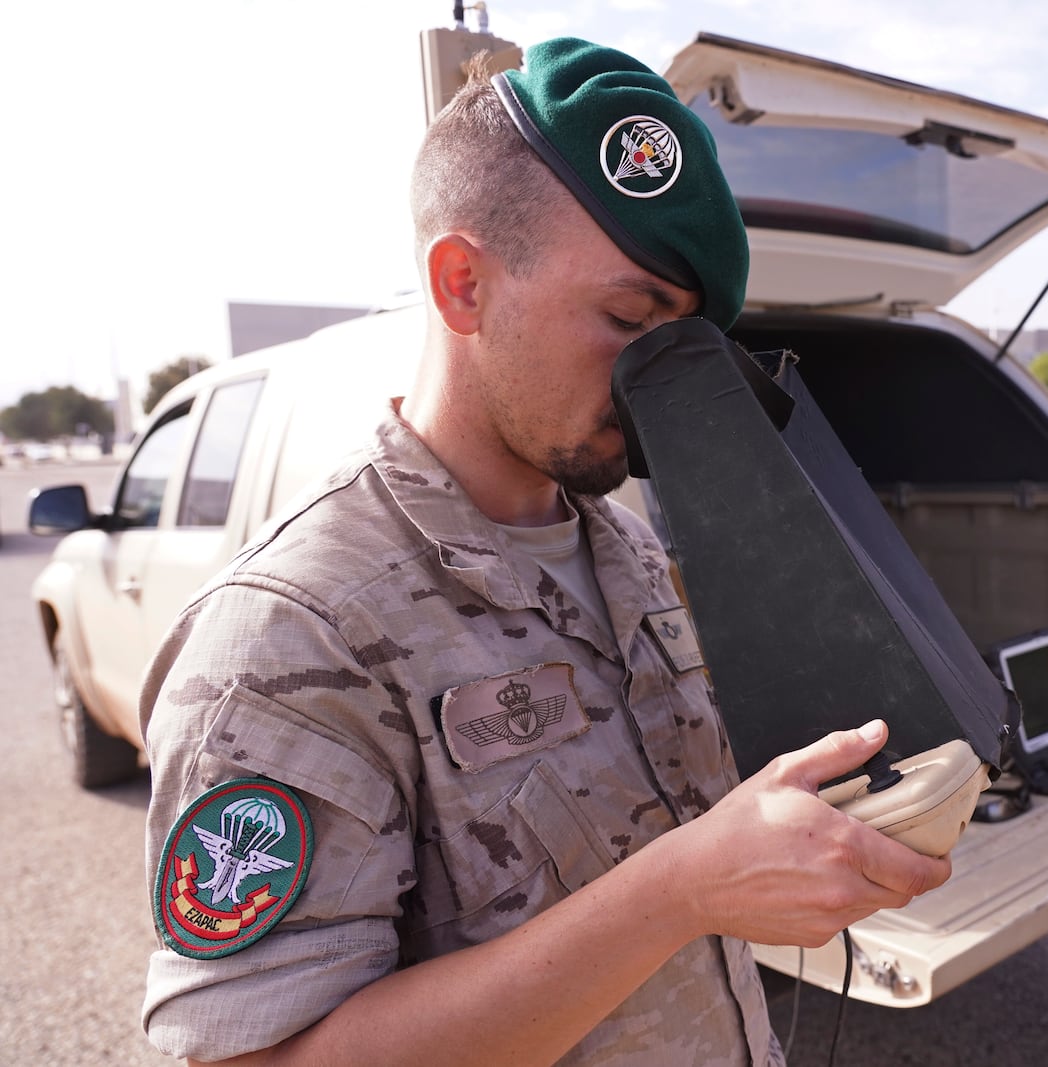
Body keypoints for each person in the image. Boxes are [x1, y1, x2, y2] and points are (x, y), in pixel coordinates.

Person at [140, 38, 950, 1066]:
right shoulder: (296, 627)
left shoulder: (621, 540)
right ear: (463, 284)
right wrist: (681, 887)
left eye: (685, 342)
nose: (660, 380)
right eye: (627, 320)